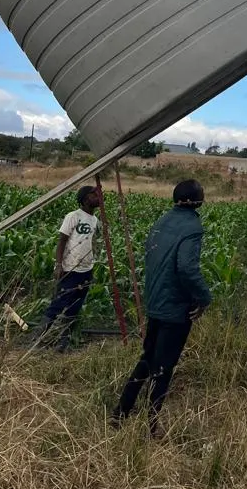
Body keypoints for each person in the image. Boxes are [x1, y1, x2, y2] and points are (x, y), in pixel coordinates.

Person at [111, 179, 211, 437]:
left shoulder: (162, 221)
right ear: (193, 200)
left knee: (147, 360)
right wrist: (203, 298)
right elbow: (187, 269)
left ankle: (120, 414)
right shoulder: (192, 227)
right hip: (175, 309)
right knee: (163, 368)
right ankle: (150, 427)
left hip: (155, 303)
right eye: (201, 192)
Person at [34, 185, 101, 352]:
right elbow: (62, 240)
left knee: (74, 307)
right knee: (58, 304)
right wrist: (58, 265)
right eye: (94, 194)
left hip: (86, 270)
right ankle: (35, 341)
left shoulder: (94, 220)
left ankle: (63, 344)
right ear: (85, 199)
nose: (99, 197)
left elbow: (90, 242)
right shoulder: (73, 216)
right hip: (70, 269)